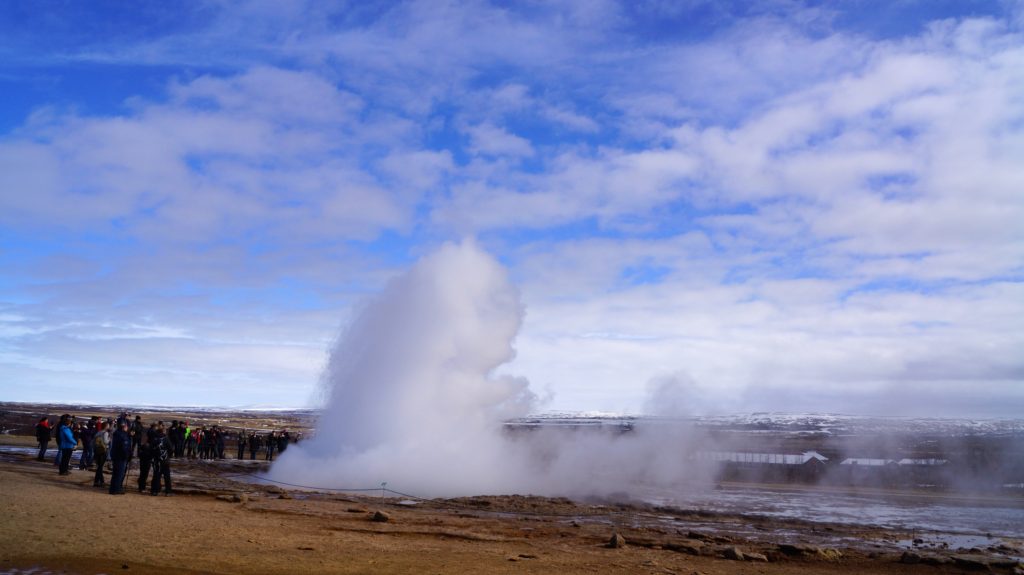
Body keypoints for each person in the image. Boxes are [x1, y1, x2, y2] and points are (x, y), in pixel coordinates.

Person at [108, 420, 131, 495]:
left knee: (115, 473)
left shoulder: (117, 433)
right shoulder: (123, 435)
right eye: (127, 426)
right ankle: (116, 489)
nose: (127, 428)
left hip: (115, 455)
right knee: (119, 473)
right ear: (124, 426)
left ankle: (112, 489)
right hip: (121, 457)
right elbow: (124, 447)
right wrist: (127, 456)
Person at [149, 424, 172, 496]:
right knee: (167, 476)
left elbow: (150, 449)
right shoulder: (166, 439)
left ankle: (154, 491)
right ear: (163, 431)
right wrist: (169, 456)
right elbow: (171, 449)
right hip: (165, 460)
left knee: (156, 476)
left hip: (156, 460)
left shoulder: (154, 439)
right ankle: (168, 492)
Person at [93, 423, 111, 487]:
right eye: (108, 426)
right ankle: (98, 482)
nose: (109, 427)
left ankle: (99, 481)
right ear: (106, 426)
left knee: (99, 466)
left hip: (97, 451)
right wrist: (109, 439)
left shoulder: (98, 433)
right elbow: (106, 442)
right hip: (103, 451)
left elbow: (94, 441)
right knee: (100, 467)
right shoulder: (105, 433)